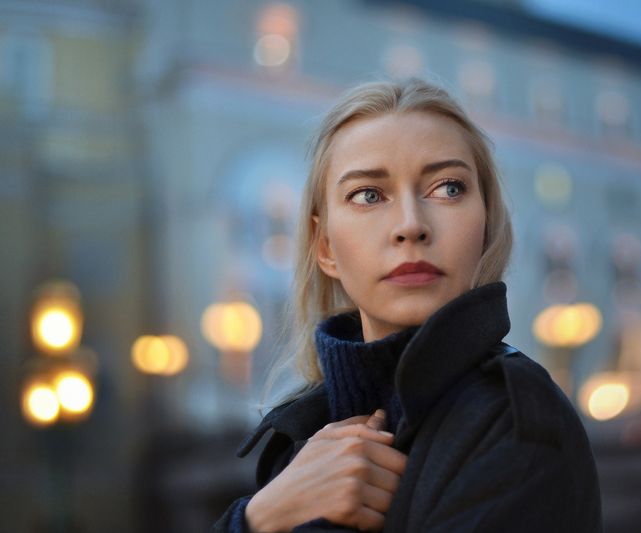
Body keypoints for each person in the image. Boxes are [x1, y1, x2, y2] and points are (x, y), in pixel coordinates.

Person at [213, 77, 603, 532]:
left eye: (447, 188)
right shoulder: (301, 439)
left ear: (486, 225)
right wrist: (258, 518)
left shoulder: (517, 423)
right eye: (368, 195)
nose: (410, 225)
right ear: (325, 248)